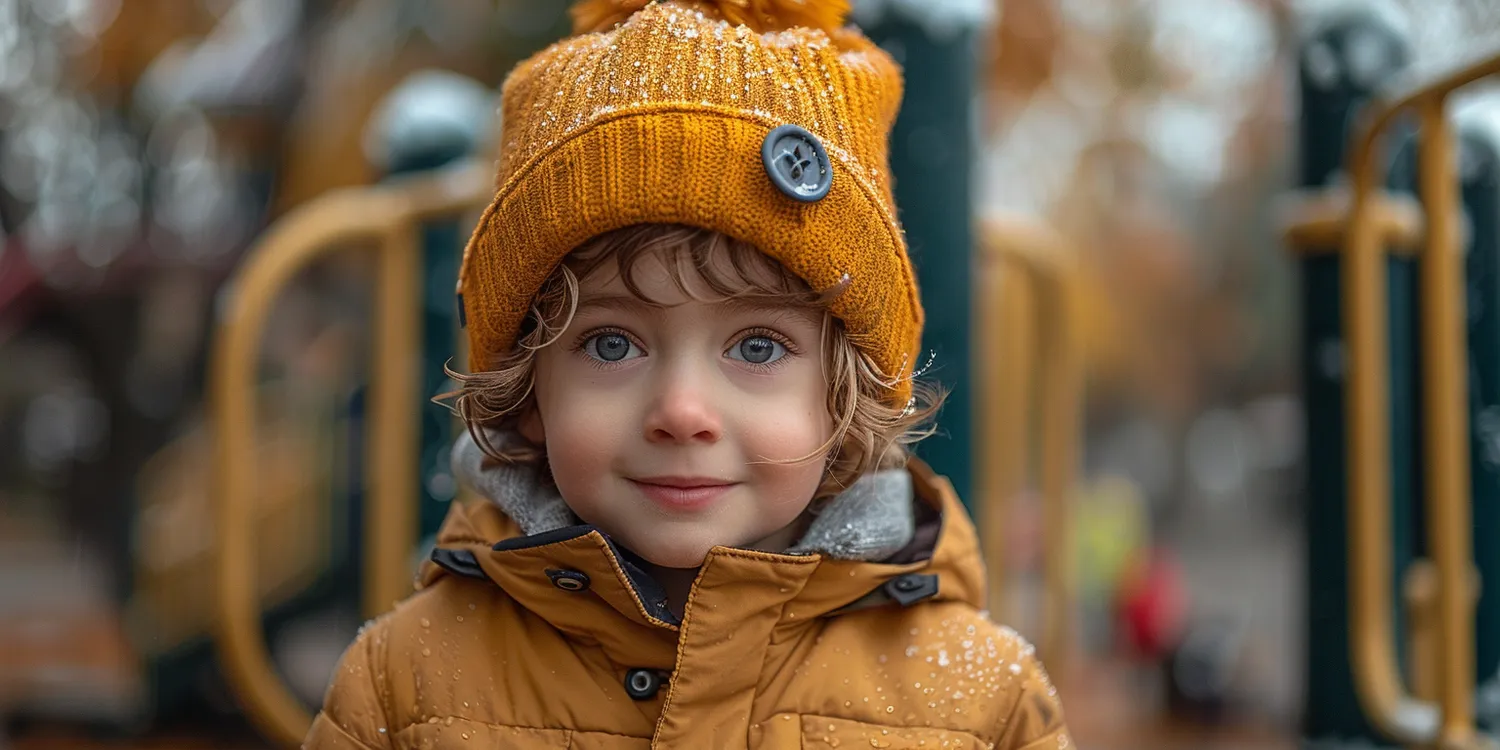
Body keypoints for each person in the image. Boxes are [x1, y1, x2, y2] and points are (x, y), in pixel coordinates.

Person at [304, 0, 1072, 747]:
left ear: (843, 399)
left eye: (759, 347)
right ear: (527, 389)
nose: (681, 410)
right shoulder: (408, 686)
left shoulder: (978, 706)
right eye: (611, 344)